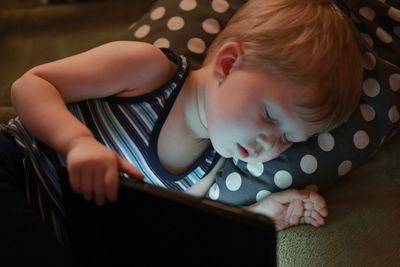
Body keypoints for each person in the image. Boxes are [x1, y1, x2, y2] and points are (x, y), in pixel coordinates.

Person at [0, 0, 363, 265]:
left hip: (60, 232)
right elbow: (31, 84)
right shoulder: (148, 70)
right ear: (228, 63)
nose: (270, 144)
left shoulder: (210, 169)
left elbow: (174, 232)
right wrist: (77, 142)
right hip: (15, 166)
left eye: (289, 140)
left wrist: (260, 216)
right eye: (269, 115)